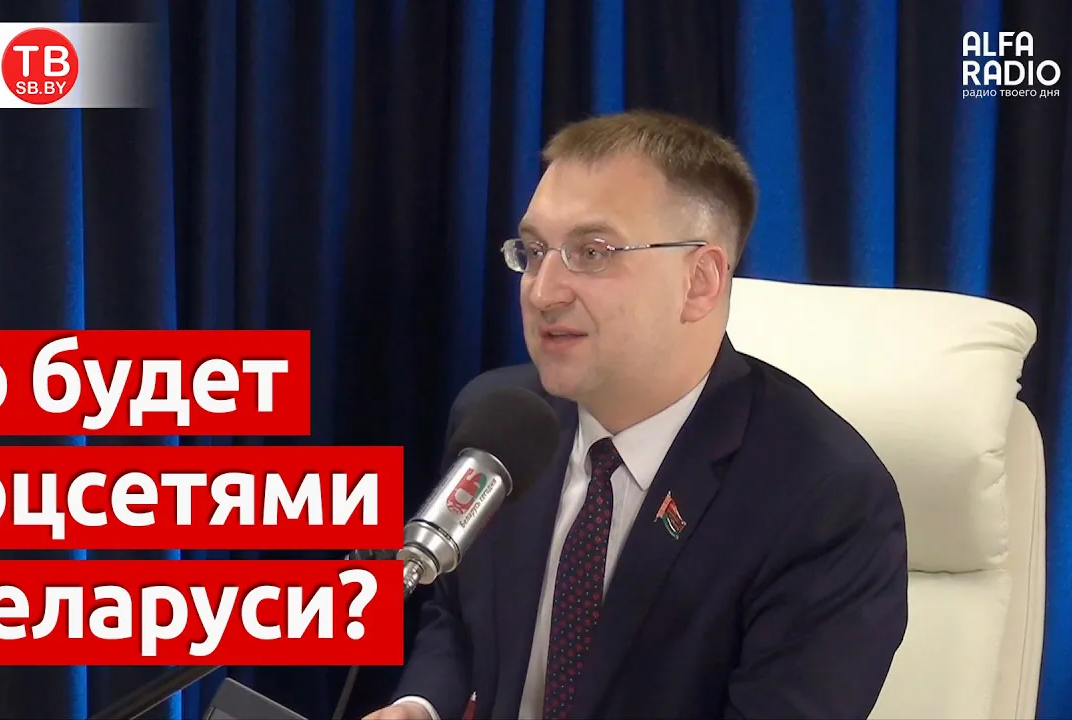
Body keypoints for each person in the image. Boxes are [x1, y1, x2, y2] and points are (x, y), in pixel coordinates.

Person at [364, 110, 908, 719]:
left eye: (592, 253)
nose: (542, 291)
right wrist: (420, 706)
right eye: (535, 251)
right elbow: (459, 621)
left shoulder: (826, 498)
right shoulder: (502, 426)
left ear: (699, 282)